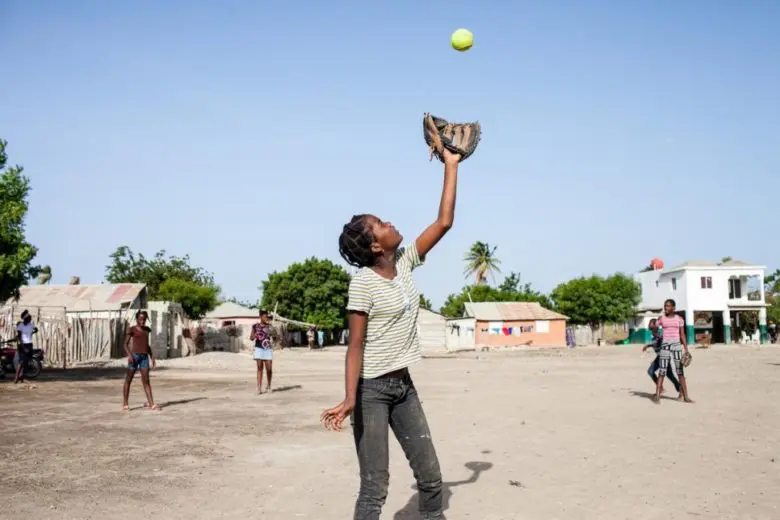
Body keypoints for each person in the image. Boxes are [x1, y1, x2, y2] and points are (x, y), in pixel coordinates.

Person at [320, 146, 462, 520]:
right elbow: (355, 346)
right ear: (373, 244)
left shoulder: (404, 262)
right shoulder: (362, 284)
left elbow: (443, 221)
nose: (390, 223)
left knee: (431, 480)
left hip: (404, 388)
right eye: (381, 223)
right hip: (372, 392)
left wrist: (451, 165)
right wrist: (350, 397)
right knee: (374, 488)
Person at [653, 299, 694, 404]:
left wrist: (686, 348)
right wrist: (657, 332)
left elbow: (682, 334)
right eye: (665, 306)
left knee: (680, 371)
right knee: (662, 371)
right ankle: (657, 396)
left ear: (673, 308)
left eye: (668, 306)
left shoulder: (679, 319)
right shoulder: (662, 319)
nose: (666, 308)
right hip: (665, 346)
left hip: (676, 346)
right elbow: (654, 329)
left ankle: (686, 397)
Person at [122, 311, 159, 411]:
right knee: (128, 379)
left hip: (144, 358)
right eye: (140, 319)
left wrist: (152, 357)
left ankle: (152, 404)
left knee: (146, 380)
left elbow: (147, 345)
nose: (142, 321)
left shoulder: (147, 330)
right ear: (137, 319)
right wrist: (130, 355)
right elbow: (125, 344)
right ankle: (125, 404)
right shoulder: (132, 329)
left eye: (144, 319)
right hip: (134, 357)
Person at [642, 318, 680, 394]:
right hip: (660, 356)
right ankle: (679, 390)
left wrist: (658, 338)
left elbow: (662, 342)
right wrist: (648, 345)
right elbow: (655, 344)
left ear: (656, 325)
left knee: (652, 371)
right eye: (650, 326)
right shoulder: (652, 334)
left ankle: (677, 390)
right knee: (669, 375)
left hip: (664, 356)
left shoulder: (660, 333)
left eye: (651, 325)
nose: (650, 326)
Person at [251, 310, 273, 394]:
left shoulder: (270, 327)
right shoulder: (255, 326)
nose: (266, 318)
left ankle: (269, 386)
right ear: (260, 317)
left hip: (268, 348)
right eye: (264, 316)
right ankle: (259, 388)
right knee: (259, 368)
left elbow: (275, 338)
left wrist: (273, 334)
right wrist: (256, 334)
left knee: (269, 369)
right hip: (259, 348)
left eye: (266, 316)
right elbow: (251, 338)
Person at [14, 310, 38, 384]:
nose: (30, 318)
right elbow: (19, 337)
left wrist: (31, 333)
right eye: (29, 317)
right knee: (21, 362)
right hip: (23, 345)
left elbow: (36, 329)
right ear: (25, 318)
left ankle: (22, 377)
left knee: (26, 362)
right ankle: (16, 378)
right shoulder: (20, 326)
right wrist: (23, 347)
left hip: (30, 344)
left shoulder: (31, 325)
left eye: (30, 317)